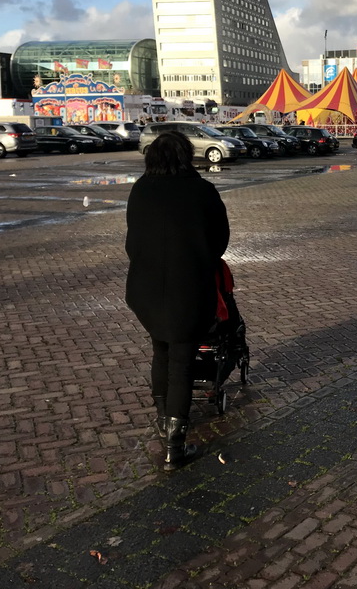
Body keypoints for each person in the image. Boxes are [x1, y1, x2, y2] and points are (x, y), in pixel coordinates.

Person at [125, 131, 230, 471]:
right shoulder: (201, 190)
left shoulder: (140, 190)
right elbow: (220, 239)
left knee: (161, 351)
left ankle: (162, 417)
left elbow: (132, 241)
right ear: (186, 156)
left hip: (146, 289)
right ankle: (175, 443)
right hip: (190, 288)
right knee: (182, 361)